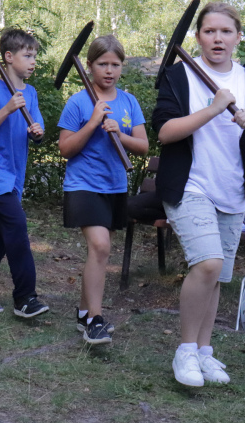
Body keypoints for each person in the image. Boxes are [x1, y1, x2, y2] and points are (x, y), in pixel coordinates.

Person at [153, 2, 245, 387]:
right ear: (198, 37)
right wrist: (213, 108)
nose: (218, 38)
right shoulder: (179, 76)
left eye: (226, 31)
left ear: (238, 37)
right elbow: (164, 132)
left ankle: (205, 353)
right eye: (210, 31)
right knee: (206, 264)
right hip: (190, 184)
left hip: (234, 189)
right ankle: (185, 351)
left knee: (218, 275)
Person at [58, 34, 149, 344]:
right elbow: (65, 149)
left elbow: (143, 146)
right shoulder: (79, 101)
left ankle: (84, 313)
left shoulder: (128, 102)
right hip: (83, 185)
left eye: (115, 64)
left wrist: (119, 134)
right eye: (102, 64)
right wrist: (93, 122)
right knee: (100, 247)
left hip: (114, 187)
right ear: (90, 66)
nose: (109, 70)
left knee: (98, 252)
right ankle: (96, 320)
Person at [0, 28, 49, 318]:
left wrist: (37, 132)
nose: (33, 61)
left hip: (15, 174)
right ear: (8, 57)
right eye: (28, 56)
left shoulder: (32, 93)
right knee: (16, 227)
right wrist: (7, 109)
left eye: (35, 56)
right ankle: (25, 297)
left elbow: (35, 131)